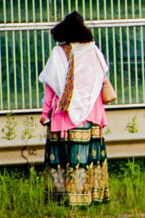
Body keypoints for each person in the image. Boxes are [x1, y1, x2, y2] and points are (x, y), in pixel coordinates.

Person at [38, 12, 111, 206]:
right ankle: (92, 198)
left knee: (62, 160)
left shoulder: (59, 53)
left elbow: (50, 88)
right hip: (92, 115)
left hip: (65, 116)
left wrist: (45, 114)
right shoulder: (94, 51)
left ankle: (63, 199)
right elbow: (102, 80)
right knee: (90, 160)